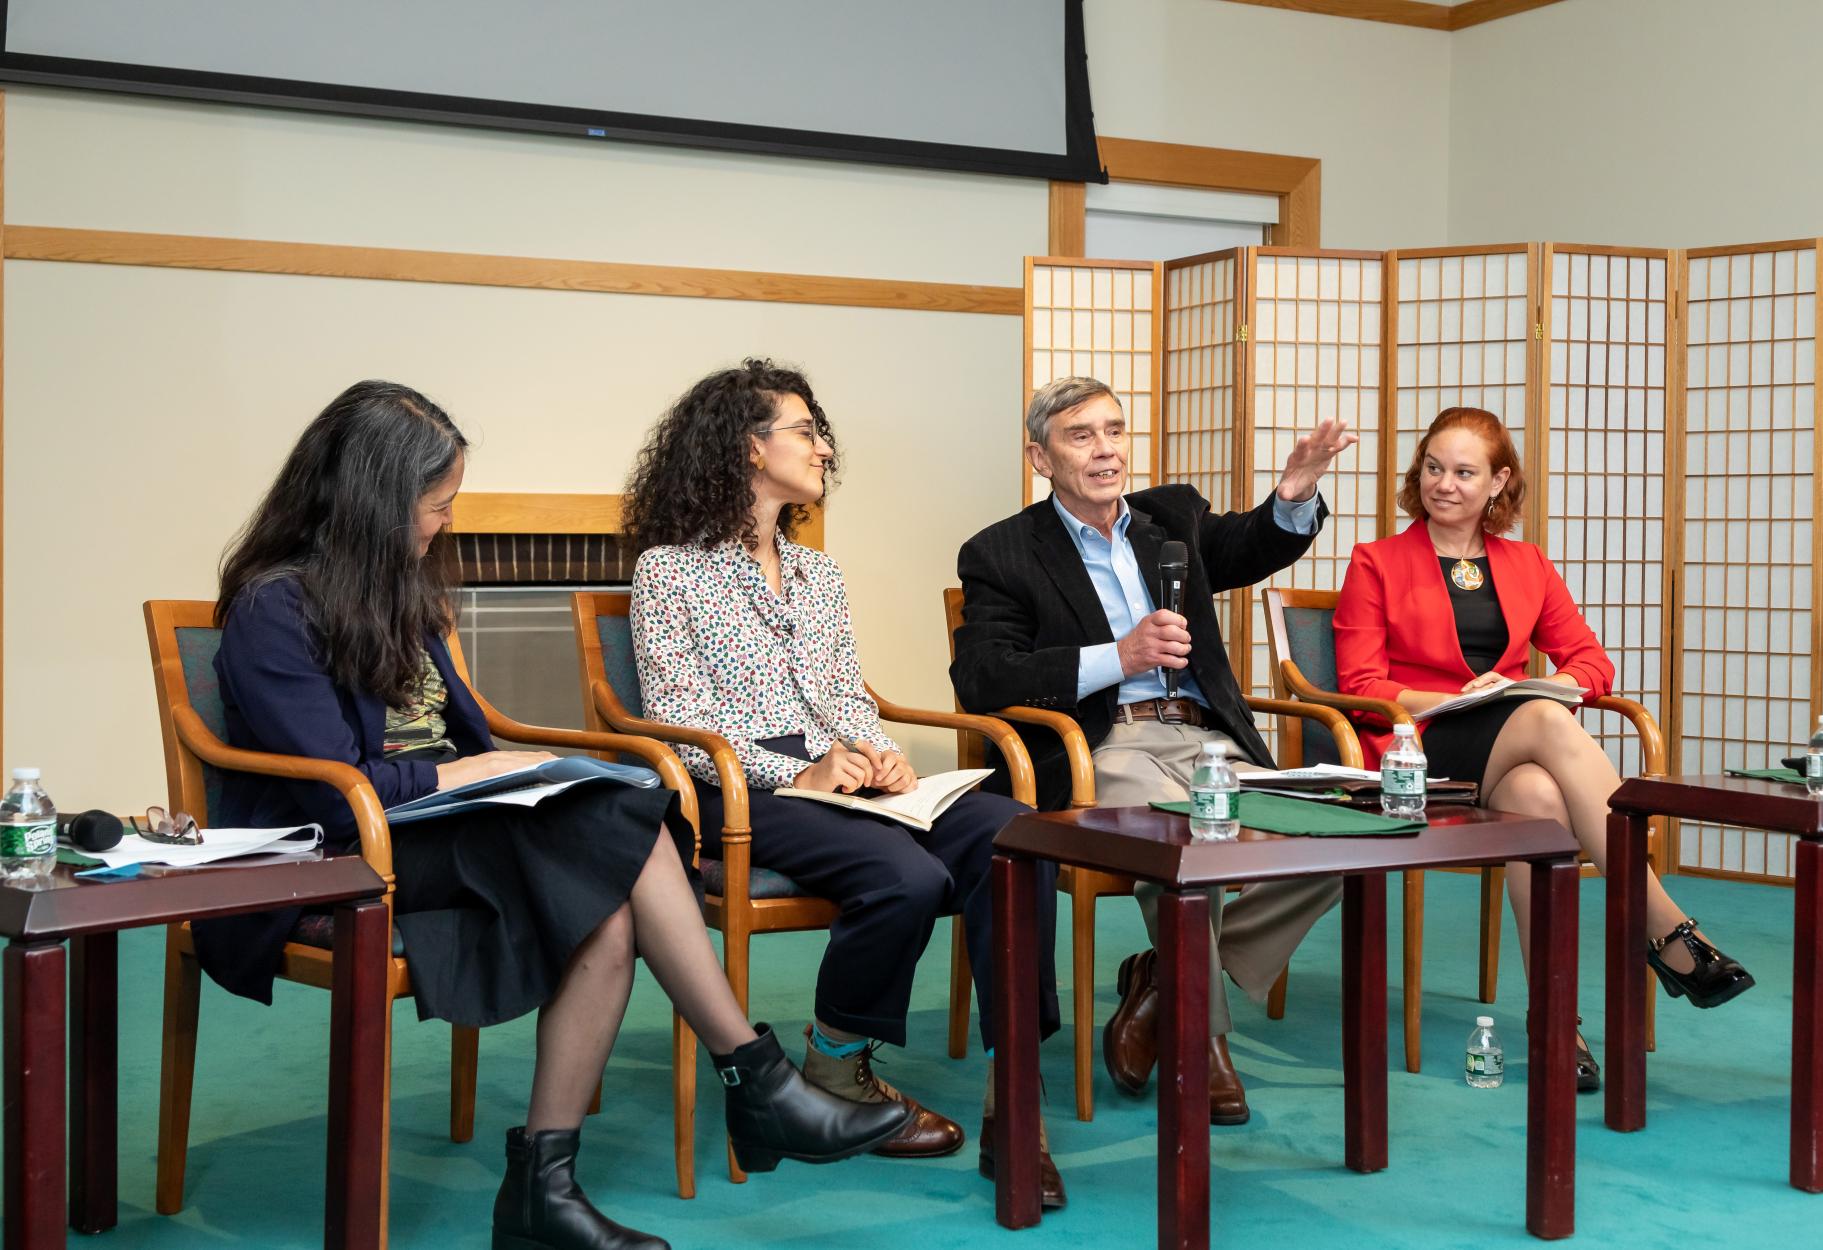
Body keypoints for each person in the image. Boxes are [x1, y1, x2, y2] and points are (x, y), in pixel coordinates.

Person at [200, 380, 907, 1250]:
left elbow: (470, 734)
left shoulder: (396, 591)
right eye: (435, 504)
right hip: (347, 845)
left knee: (607, 903)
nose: (445, 523)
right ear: (370, 502)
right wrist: (484, 768)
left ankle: (546, 1184)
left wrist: (513, 762)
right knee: (627, 820)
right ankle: (755, 1082)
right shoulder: (275, 605)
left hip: (437, 824)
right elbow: (334, 788)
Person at [624, 359, 1066, 1207]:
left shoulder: (819, 574)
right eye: (805, 430)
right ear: (748, 448)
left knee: (1012, 832)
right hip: (738, 792)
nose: (824, 447)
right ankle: (834, 1067)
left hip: (841, 778)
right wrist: (800, 769)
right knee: (905, 876)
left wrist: (880, 751)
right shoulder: (668, 571)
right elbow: (680, 718)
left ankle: (1017, 1090)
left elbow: (841, 691)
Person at [951, 376, 1354, 1127]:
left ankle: (1165, 987)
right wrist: (1119, 656)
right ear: (1039, 457)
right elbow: (982, 678)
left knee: (1336, 839)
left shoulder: (1172, 517)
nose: (1105, 450)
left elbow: (1247, 545)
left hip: (1208, 738)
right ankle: (1203, 1042)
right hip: (1102, 744)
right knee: (1183, 845)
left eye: (1114, 430)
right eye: (1080, 436)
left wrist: (1293, 492)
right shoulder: (1000, 553)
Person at [1333, 405, 1754, 1089]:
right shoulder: (1376, 562)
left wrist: (1534, 684)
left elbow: (1590, 662)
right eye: (1433, 468)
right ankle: (1667, 929)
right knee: (1547, 721)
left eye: (1464, 472)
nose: (1444, 484)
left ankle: (1554, 1020)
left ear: (1498, 481)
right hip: (1415, 745)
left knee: (1536, 798)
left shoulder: (1525, 564)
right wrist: (1452, 700)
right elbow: (1358, 684)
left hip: (1499, 745)